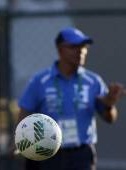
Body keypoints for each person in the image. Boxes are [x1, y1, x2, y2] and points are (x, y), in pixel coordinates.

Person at [17, 27, 125, 170]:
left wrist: (109, 105)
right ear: (60, 49)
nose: (80, 51)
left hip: (81, 155)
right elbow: (25, 112)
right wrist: (22, 141)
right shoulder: (40, 80)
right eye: (74, 47)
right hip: (46, 153)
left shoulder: (93, 81)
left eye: (83, 47)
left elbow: (109, 118)